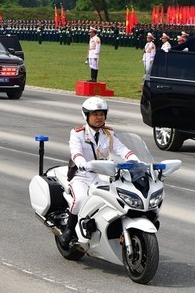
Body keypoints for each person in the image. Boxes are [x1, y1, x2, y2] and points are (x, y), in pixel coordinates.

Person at [59, 97, 138, 248]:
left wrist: (136, 161)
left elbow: (121, 149)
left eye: (102, 114)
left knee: (117, 200)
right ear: (87, 115)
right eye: (95, 114)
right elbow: (76, 152)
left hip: (103, 176)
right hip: (82, 175)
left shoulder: (108, 133)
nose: (99, 117)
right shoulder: (78, 133)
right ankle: (69, 229)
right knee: (81, 199)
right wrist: (82, 163)